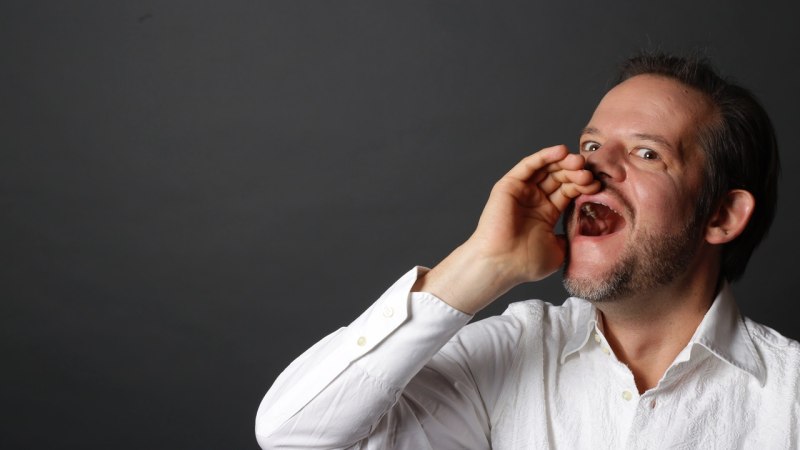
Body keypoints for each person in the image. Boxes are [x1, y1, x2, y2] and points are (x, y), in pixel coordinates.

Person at [255, 53, 800, 449]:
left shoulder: (789, 399)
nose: (593, 167)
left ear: (721, 216)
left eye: (646, 153)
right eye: (591, 145)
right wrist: (483, 262)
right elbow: (294, 434)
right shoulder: (511, 353)